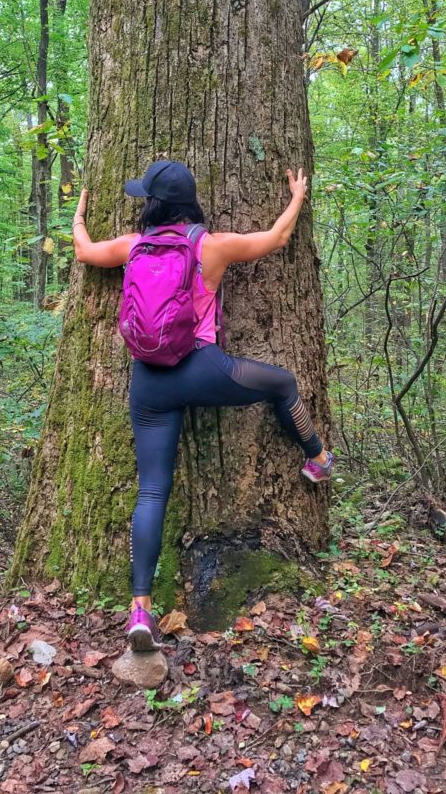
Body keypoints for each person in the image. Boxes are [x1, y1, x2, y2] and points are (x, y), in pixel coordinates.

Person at [71, 160, 334, 652]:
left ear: (153, 205)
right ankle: (317, 458)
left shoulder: (133, 246)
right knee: (282, 384)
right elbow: (276, 239)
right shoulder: (210, 246)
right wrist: (297, 196)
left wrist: (79, 217)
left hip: (148, 382)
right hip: (201, 369)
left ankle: (140, 609)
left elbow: (85, 252)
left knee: (152, 492)